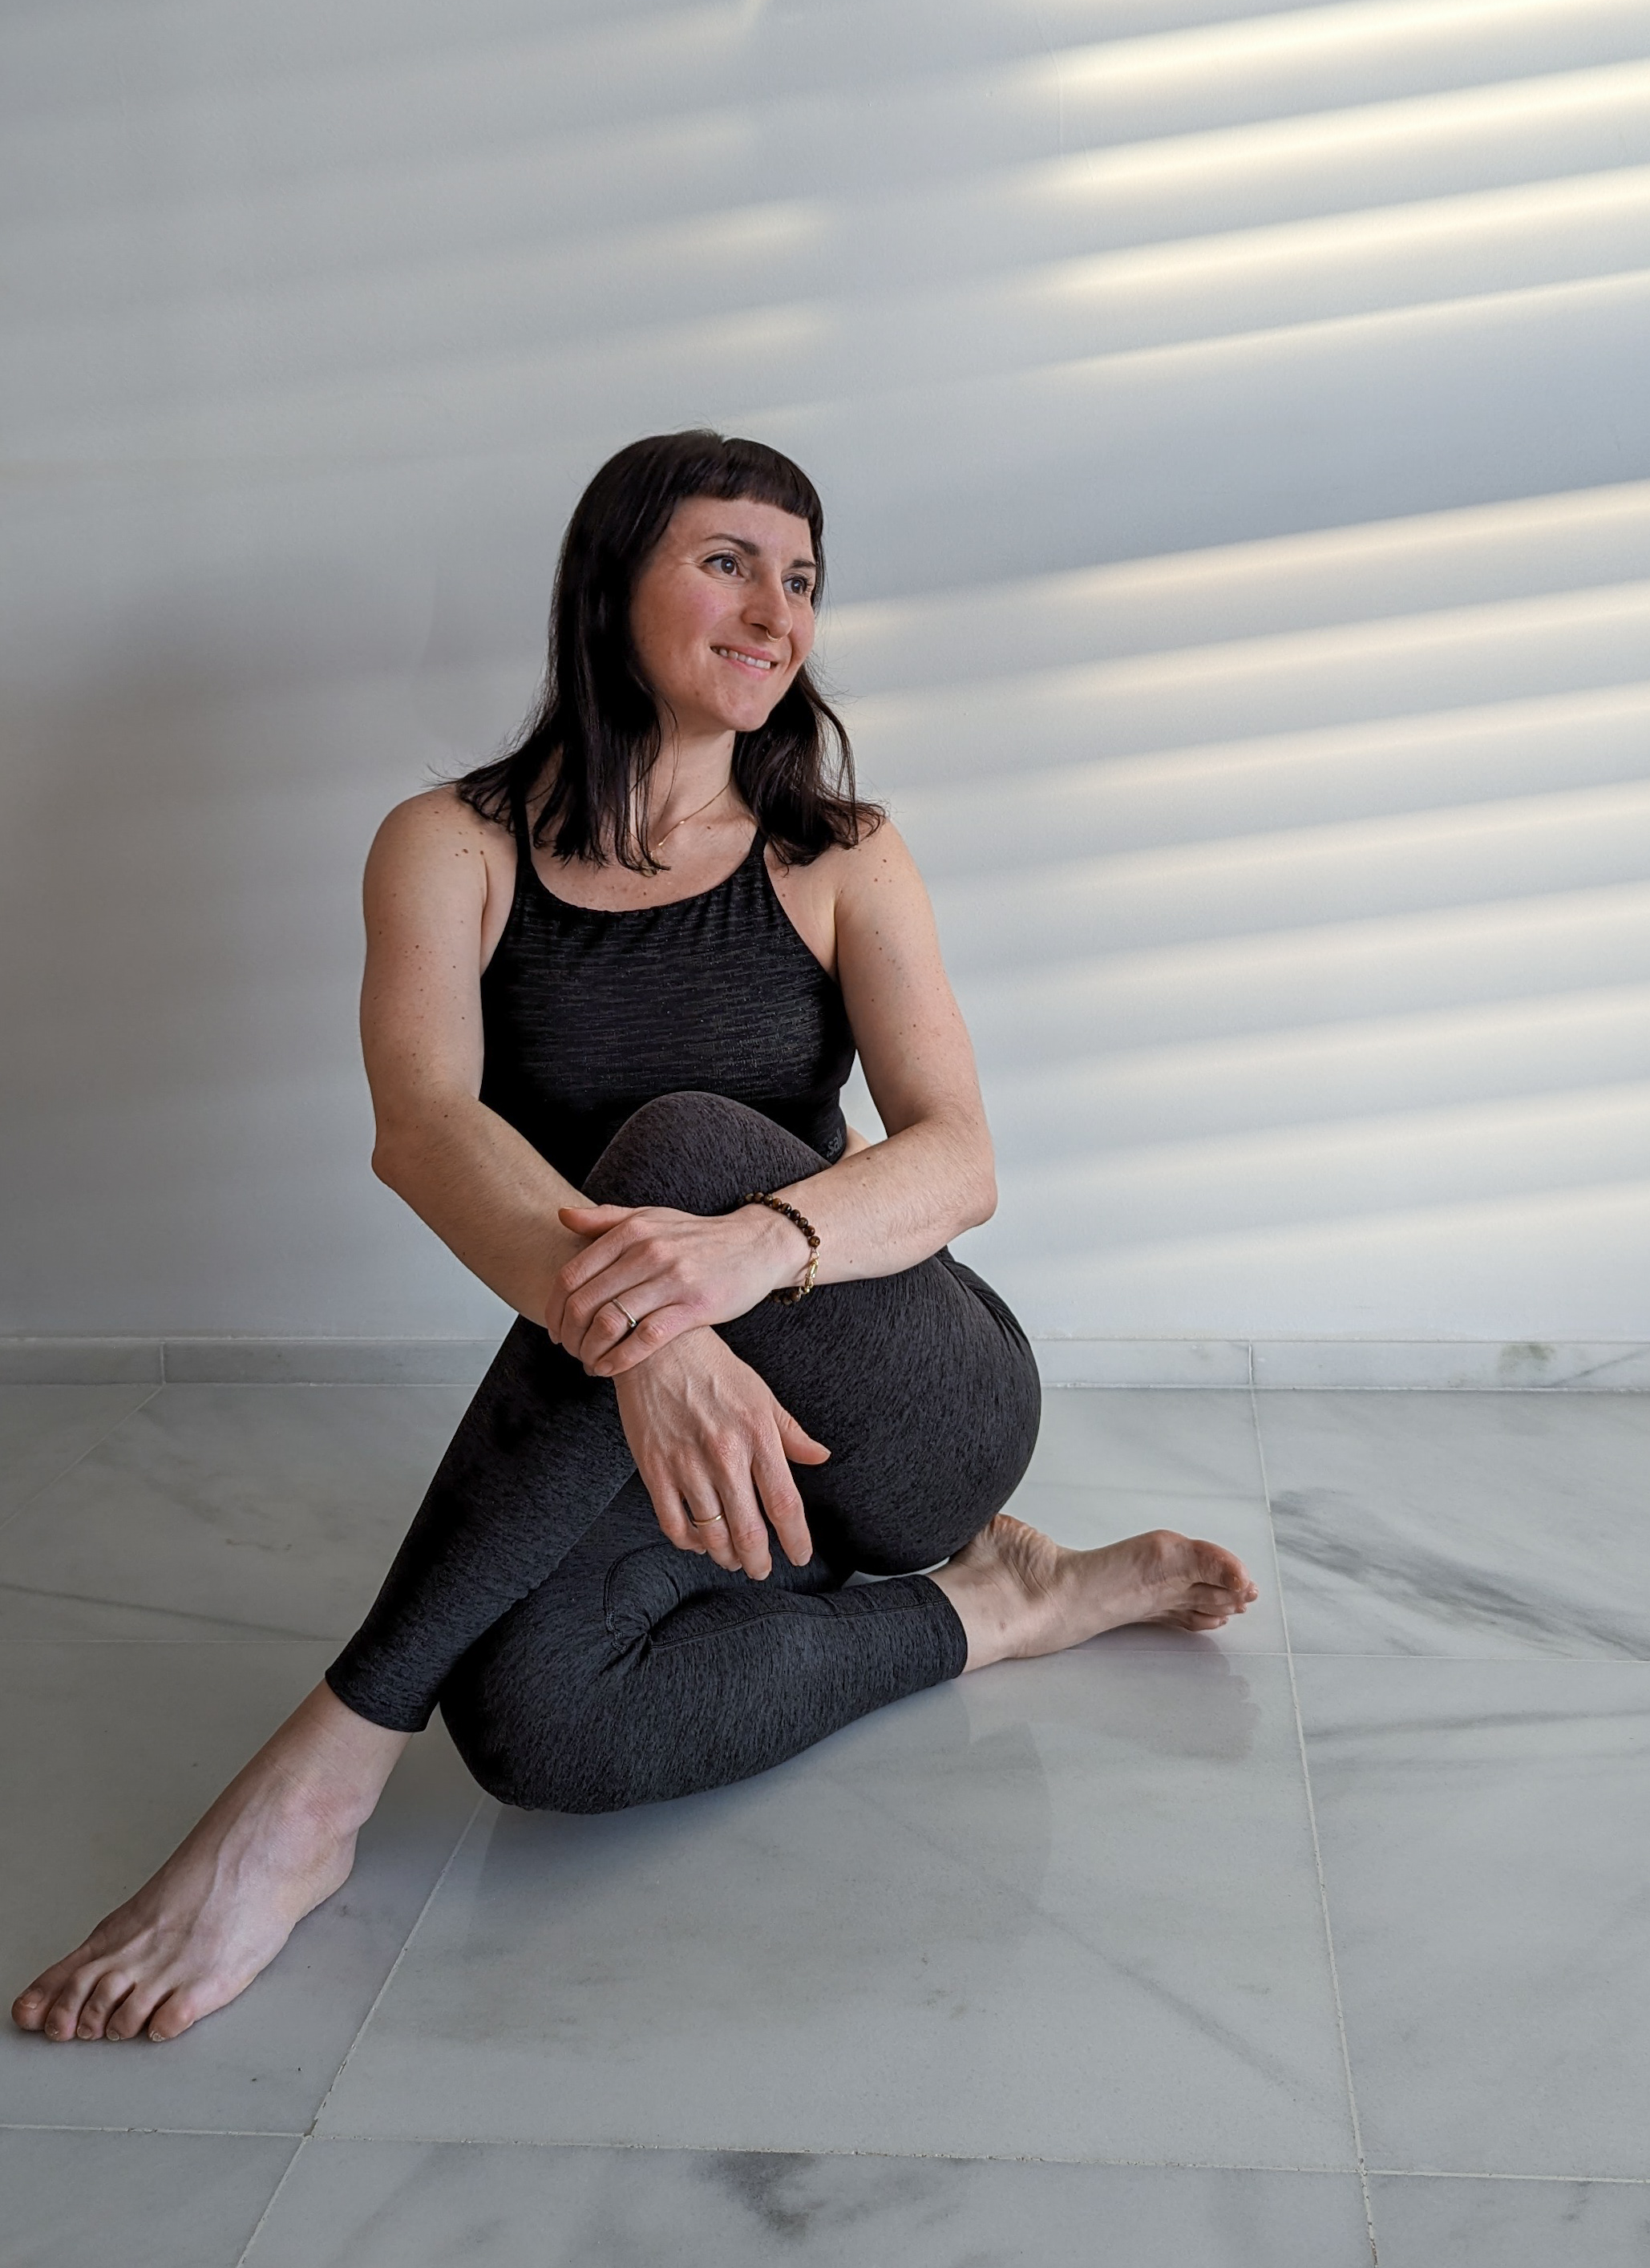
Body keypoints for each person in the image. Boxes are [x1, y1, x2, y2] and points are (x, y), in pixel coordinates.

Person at [14, 429, 1255, 2048]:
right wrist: (665, 1340)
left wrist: (746, 1253)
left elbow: (959, 1160)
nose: (777, 614)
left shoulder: (839, 853)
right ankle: (1004, 1608)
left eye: (801, 579)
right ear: (610, 582)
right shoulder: (449, 846)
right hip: (684, 1415)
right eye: (728, 563)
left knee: (677, 1147)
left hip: (911, 1401)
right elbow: (422, 1128)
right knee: (537, 1726)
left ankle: (314, 1782)